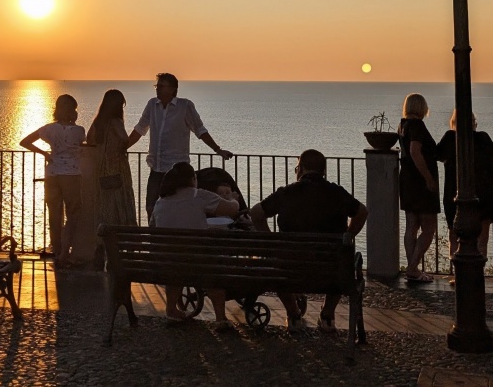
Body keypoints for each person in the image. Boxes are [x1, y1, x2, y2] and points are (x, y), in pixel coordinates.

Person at [248, 149, 368, 333]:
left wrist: (271, 241)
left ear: (301, 169)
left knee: (278, 265)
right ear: (323, 171)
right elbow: (362, 212)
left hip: (290, 267)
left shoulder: (287, 193)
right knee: (341, 260)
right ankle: (327, 315)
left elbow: (255, 213)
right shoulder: (337, 193)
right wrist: (349, 235)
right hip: (330, 269)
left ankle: (294, 315)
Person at [127, 73, 232, 221]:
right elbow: (140, 129)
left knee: (178, 208)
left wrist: (217, 149)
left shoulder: (185, 106)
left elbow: (200, 130)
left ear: (173, 89)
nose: (157, 89)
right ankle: (154, 234)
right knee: (151, 207)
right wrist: (123, 147)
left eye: (161, 86)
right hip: (156, 168)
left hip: (177, 172)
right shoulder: (152, 105)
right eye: (157, 86)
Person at [151, 162, 239, 327]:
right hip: (199, 262)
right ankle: (220, 318)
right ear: (192, 179)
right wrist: (233, 199)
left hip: (167, 262)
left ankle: (172, 310)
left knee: (176, 262)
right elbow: (231, 210)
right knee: (211, 267)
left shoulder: (160, 202)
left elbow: (153, 227)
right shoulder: (199, 195)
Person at [20, 94, 86, 266]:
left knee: (54, 214)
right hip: (71, 174)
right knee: (73, 213)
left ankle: (57, 250)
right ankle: (65, 252)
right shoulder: (79, 131)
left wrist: (44, 153)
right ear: (72, 110)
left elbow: (25, 142)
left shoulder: (48, 129)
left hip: (52, 173)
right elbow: (81, 144)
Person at [436, 111, 493, 262]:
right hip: (483, 194)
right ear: (474, 123)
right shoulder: (483, 138)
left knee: (455, 236)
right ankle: (478, 270)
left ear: (454, 123)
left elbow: (438, 155)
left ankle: (457, 271)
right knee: (482, 237)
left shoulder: (450, 138)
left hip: (454, 194)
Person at [398, 93, 439, 283]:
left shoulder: (403, 125)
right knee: (429, 228)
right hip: (420, 183)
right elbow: (415, 151)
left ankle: (412, 268)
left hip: (407, 180)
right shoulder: (417, 126)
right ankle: (413, 267)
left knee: (412, 226)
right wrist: (428, 178)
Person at [86, 89, 137, 229]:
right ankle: (124, 233)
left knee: (106, 203)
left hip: (102, 167)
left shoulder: (98, 122)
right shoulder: (116, 122)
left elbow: (89, 139)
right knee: (121, 200)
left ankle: (105, 234)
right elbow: (124, 139)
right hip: (118, 167)